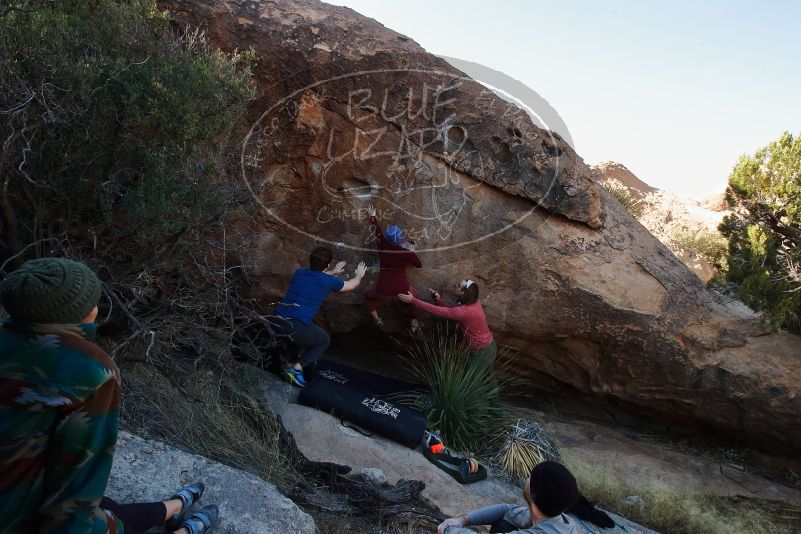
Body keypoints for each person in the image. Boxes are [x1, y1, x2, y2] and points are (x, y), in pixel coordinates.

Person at [0, 257, 219, 533]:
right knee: (109, 522)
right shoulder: (88, 369)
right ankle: (182, 527)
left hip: (22, 487)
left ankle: (173, 506)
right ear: (83, 313)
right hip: (17, 516)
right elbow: (73, 505)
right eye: (92, 301)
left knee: (108, 507)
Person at [273, 246, 367, 386]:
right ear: (327, 265)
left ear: (310, 260)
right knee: (324, 340)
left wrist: (333, 272)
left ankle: (289, 362)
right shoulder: (327, 281)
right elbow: (351, 285)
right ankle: (296, 369)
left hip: (276, 321)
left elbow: (316, 277)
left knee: (300, 334)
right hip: (295, 326)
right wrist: (359, 275)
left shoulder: (300, 273)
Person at [437, 461, 615, 534]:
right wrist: (462, 520)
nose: (527, 479)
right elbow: (506, 510)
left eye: (531, 476)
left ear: (534, 494)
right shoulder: (558, 519)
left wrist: (449, 529)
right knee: (503, 524)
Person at [398, 277, 497, 368]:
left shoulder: (463, 311)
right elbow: (452, 312)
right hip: (490, 347)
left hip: (482, 352)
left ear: (464, 293)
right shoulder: (474, 302)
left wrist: (413, 300)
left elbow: (436, 310)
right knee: (488, 379)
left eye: (459, 286)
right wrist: (438, 300)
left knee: (464, 377)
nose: (456, 286)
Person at [363, 204, 422, 330]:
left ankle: (377, 319)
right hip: (402, 291)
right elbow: (418, 264)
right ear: (400, 239)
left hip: (382, 290)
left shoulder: (382, 245)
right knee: (416, 299)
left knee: (367, 295)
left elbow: (376, 230)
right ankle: (413, 320)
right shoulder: (405, 252)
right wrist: (411, 251)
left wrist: (372, 216)